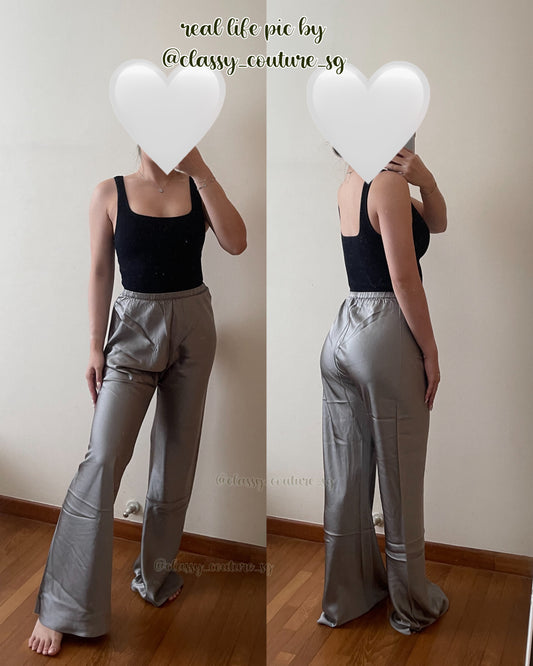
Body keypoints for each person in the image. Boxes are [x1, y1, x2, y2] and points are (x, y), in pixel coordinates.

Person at [28, 145, 247, 656]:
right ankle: (61, 607)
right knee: (102, 458)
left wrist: (202, 168)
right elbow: (100, 270)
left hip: (194, 327)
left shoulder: (197, 185)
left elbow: (237, 243)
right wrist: (94, 344)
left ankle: (155, 575)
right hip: (131, 329)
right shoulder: (109, 192)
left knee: (177, 457)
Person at [316, 142, 449, 635]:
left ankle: (347, 597)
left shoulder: (350, 185)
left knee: (346, 477)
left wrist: (425, 179)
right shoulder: (388, 185)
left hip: (343, 330)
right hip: (386, 332)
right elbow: (403, 278)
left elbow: (437, 222)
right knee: (400, 475)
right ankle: (411, 605)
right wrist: (429, 351)